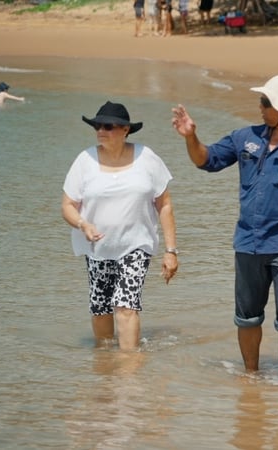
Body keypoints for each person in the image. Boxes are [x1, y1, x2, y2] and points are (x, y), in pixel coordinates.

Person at [171, 75, 278, 384]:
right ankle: (251, 381)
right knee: (246, 318)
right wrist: (190, 137)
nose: (259, 107)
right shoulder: (244, 137)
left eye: (265, 102)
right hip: (248, 243)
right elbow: (205, 161)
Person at [62, 101, 179, 352]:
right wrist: (83, 224)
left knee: (126, 305)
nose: (100, 130)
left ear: (125, 130)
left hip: (136, 245)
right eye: (97, 126)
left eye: (108, 126)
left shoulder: (147, 158)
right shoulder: (84, 160)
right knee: (101, 306)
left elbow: (165, 204)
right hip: (97, 248)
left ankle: (129, 370)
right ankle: (104, 365)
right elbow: (68, 205)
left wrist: (171, 251)